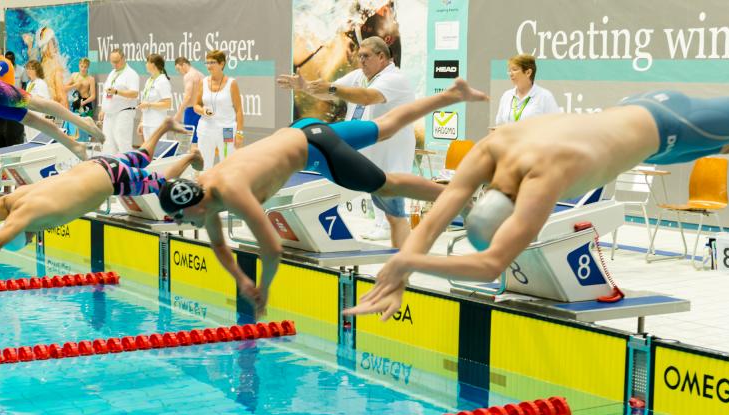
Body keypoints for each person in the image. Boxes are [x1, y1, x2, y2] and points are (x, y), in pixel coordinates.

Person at [345, 87, 729, 320]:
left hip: (669, 125)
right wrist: (404, 270)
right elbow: (437, 215)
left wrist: (407, 261)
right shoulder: (494, 148)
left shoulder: (545, 178)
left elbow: (490, 263)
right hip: (638, 122)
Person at [157, 79, 489, 316]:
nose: (183, 223)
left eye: (182, 218)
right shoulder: (205, 192)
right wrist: (243, 281)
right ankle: (451, 94)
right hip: (304, 128)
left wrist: (264, 289)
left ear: (195, 205)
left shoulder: (231, 192)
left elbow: (272, 249)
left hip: (315, 150)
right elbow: (218, 245)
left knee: (385, 185)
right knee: (385, 127)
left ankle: (457, 195)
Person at [0, 118, 200, 295]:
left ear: (24, 235)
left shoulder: (25, 217)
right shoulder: (13, 199)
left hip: (109, 178)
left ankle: (190, 157)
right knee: (142, 156)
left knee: (160, 184)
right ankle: (163, 126)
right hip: (96, 165)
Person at [278, 37, 415, 246]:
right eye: (359, 56)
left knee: (389, 179)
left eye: (366, 56)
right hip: (368, 138)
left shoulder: (394, 78)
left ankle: (389, 225)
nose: (361, 61)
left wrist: (332, 88)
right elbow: (330, 92)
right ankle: (382, 223)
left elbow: (367, 97)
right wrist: (305, 87)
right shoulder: (359, 75)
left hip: (392, 141)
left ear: (381, 57)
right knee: (374, 179)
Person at [194, 49, 244, 168]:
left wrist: (239, 134)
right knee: (204, 165)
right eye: (207, 63)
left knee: (228, 165)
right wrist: (204, 111)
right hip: (205, 129)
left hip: (227, 129)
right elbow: (196, 105)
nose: (209, 66)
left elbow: (239, 110)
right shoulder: (203, 82)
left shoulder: (232, 83)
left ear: (221, 64)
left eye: (212, 62)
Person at [493, 54, 560, 127]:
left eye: (514, 70)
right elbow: (499, 125)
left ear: (528, 72)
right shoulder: (507, 95)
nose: (510, 74)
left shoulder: (545, 96)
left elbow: (556, 126)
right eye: (509, 71)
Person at [101, 48, 140, 154]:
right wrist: (102, 109)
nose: (114, 64)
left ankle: (128, 168)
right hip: (109, 114)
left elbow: (134, 93)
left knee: (122, 142)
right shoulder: (112, 73)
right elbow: (106, 93)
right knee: (108, 143)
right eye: (112, 61)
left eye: (116, 61)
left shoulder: (131, 74)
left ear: (123, 59)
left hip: (123, 112)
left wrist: (117, 92)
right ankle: (110, 168)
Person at [136, 54, 172, 142]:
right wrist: (142, 122)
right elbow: (144, 103)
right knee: (149, 152)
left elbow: (167, 104)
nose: (145, 64)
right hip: (147, 123)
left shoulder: (163, 81)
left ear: (153, 64)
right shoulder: (149, 80)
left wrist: (149, 104)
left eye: (147, 62)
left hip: (157, 123)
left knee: (158, 152)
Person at [172, 56, 204, 145]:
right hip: (201, 109)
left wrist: (179, 114)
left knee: (189, 141)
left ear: (184, 65)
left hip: (191, 111)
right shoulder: (201, 75)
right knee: (199, 138)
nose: (179, 72)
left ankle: (193, 158)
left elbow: (187, 96)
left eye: (178, 69)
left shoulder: (188, 76)